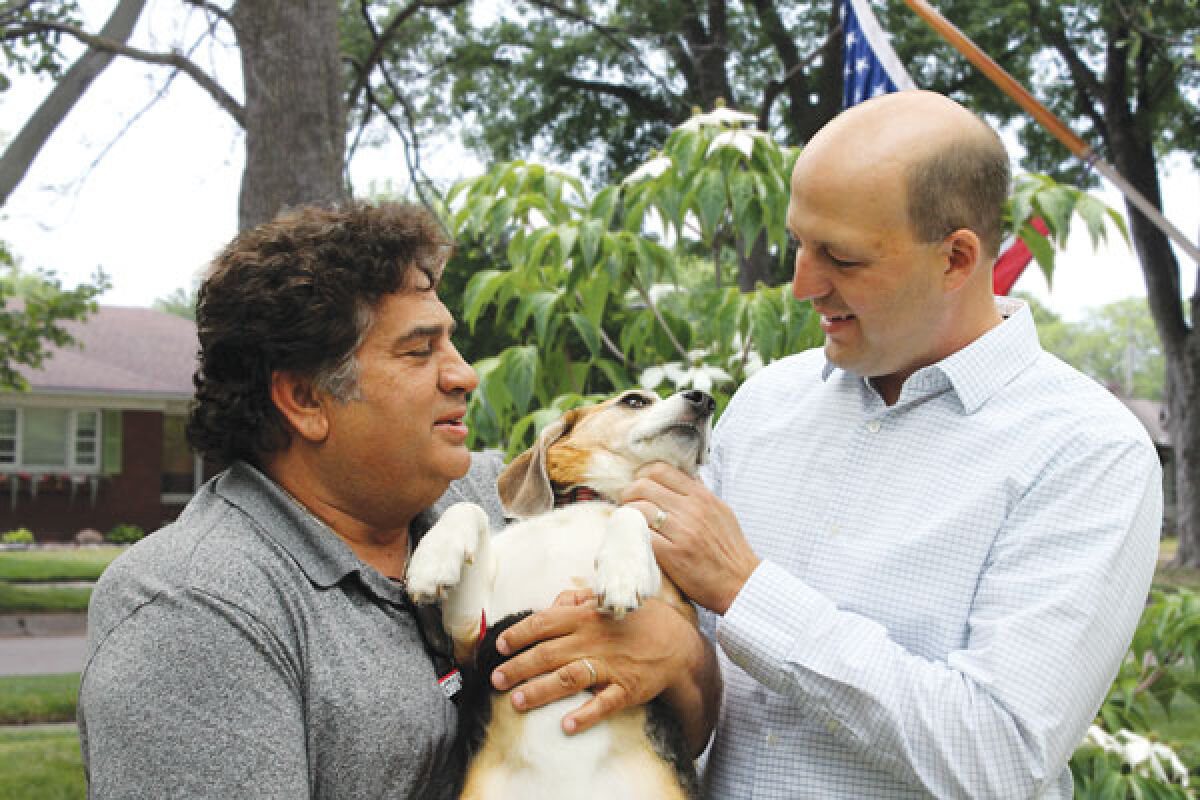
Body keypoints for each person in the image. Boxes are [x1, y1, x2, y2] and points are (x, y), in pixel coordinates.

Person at [612, 90, 1163, 797]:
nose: (802, 285)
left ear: (957, 259)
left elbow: (1000, 755)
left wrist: (749, 591)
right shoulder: (766, 404)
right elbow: (689, 664)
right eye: (799, 243)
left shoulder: (1085, 451)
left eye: (841, 258)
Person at [79, 202, 503, 799]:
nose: (465, 375)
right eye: (418, 351)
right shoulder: (196, 607)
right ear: (305, 399)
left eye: (450, 343)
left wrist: (676, 663)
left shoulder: (500, 498)